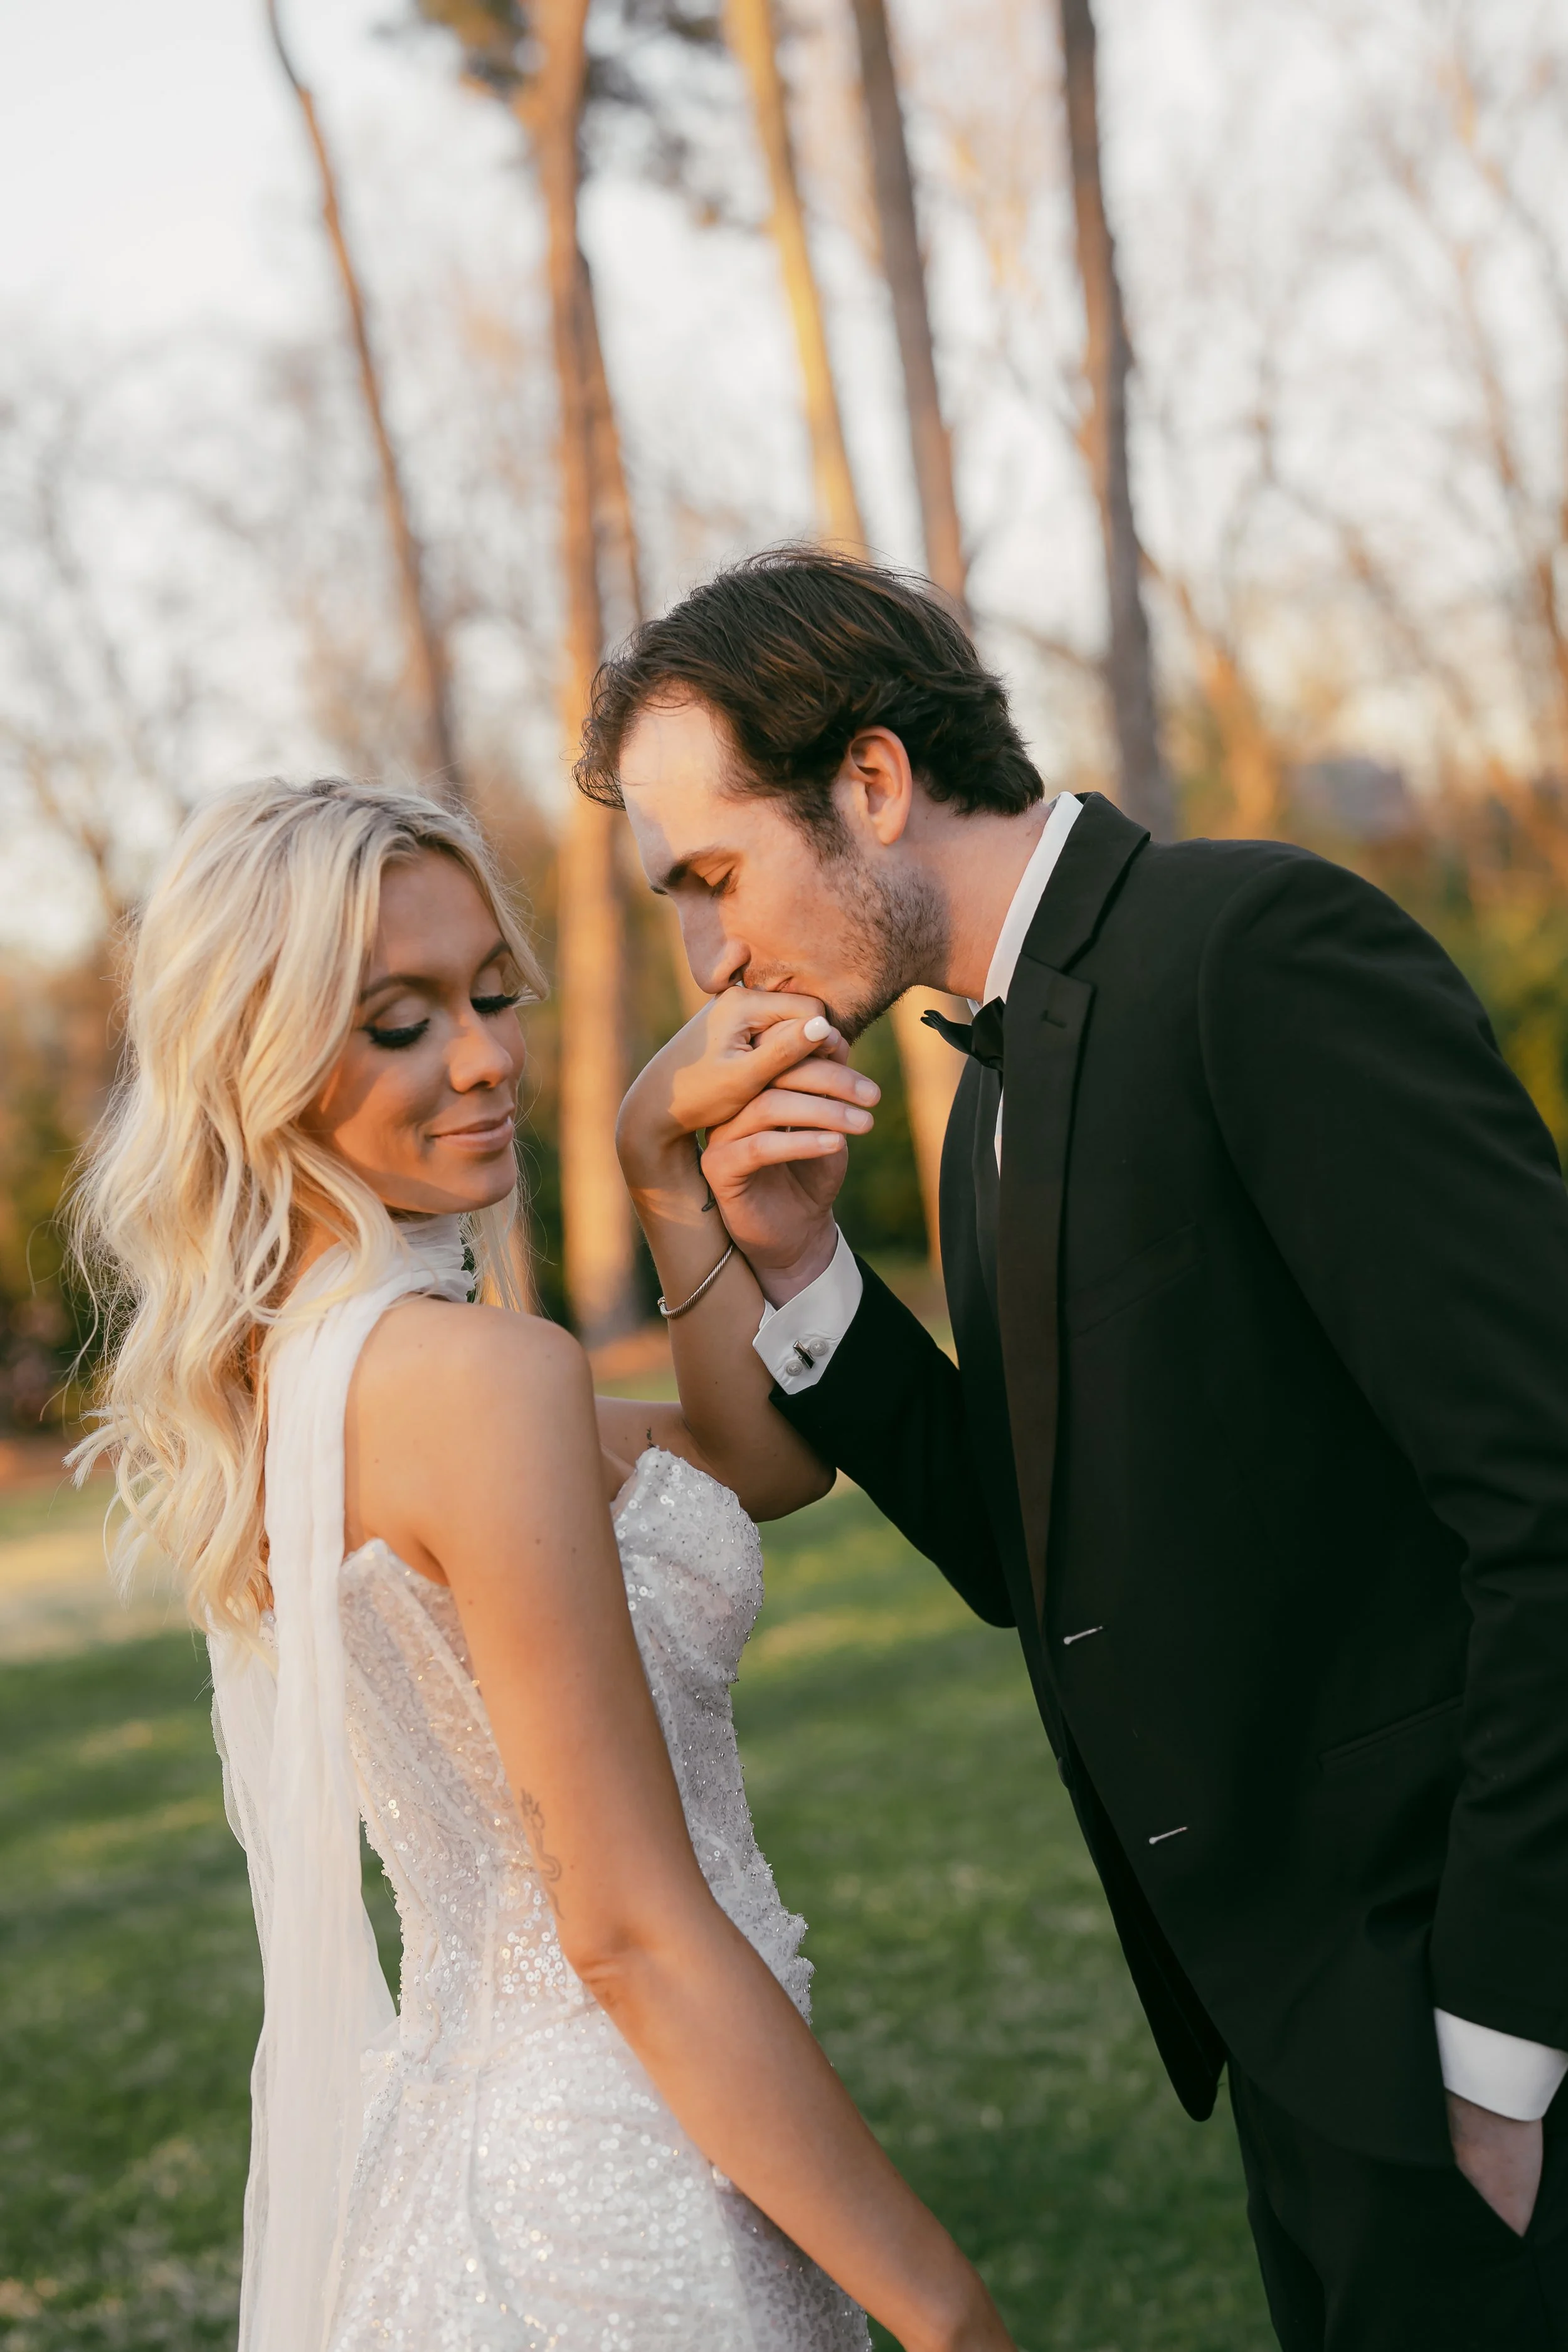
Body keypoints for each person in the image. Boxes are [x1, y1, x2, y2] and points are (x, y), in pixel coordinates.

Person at [592, 548, 1568, 2351]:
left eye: (715, 874)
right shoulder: (984, 1101)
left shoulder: (1254, 950)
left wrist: (1501, 2038)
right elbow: (1040, 1547)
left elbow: (1551, 1489)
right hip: (1296, 2049)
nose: (715, 953)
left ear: (871, 782)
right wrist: (800, 1266)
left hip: (1463, 2009)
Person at [68, 775, 1019, 2352]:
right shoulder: (473, 1379)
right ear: (261, 1055)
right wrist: (944, 2310)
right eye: (399, 1020)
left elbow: (754, 1460)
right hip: (618, 2189)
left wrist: (666, 1181)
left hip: (480, 2167)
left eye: (491, 995)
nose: (487, 1054)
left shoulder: (307, 1381)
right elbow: (626, 1928)